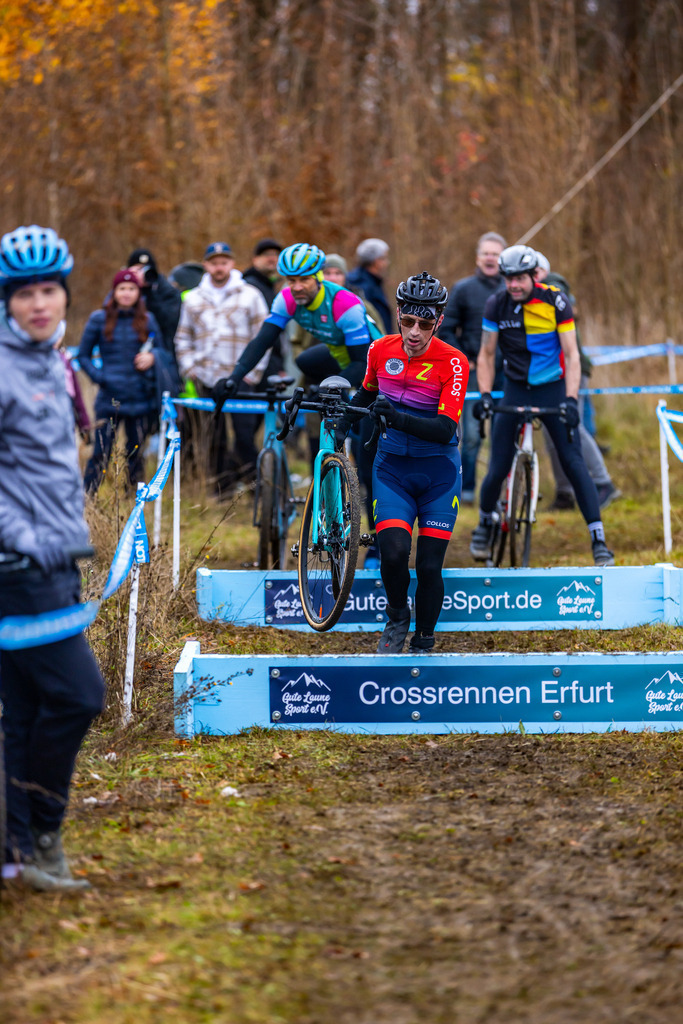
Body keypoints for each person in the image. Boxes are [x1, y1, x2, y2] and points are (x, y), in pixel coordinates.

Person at [0, 224, 105, 892]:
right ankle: (43, 832)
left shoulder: (54, 359)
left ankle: (20, 853)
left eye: (49, 290)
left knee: (27, 709)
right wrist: (25, 540)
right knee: (79, 695)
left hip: (58, 561)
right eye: (24, 294)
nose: (39, 304)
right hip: (19, 569)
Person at [341, 272, 469, 654]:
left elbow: (446, 429)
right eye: (408, 322)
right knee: (394, 552)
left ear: (438, 322)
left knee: (429, 566)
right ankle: (397, 615)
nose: (415, 332)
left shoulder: (454, 362)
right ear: (398, 313)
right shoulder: (380, 349)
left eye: (425, 324)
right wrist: (342, 418)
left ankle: (424, 638)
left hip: (438, 474)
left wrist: (395, 418)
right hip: (392, 469)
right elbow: (366, 393)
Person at [470, 245, 614, 567]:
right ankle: (483, 522)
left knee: (573, 462)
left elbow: (573, 355)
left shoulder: (556, 300)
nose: (514, 285)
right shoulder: (497, 304)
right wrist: (484, 396)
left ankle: (598, 539)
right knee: (497, 466)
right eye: (509, 279)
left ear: (534, 275)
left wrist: (571, 400)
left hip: (552, 388)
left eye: (520, 278)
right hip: (516, 390)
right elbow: (487, 355)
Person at [213, 242, 383, 402]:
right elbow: (262, 342)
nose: (297, 287)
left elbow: (362, 362)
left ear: (318, 278)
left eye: (304, 280)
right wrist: (234, 378)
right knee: (305, 361)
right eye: (291, 280)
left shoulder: (344, 304)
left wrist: (334, 387)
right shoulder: (287, 298)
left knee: (364, 427)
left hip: (374, 363)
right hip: (340, 354)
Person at [174, 241, 269, 493]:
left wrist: (254, 373)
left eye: (223, 262)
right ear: (206, 265)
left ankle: (255, 490)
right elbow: (182, 337)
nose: (219, 267)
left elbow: (265, 336)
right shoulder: (193, 297)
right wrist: (189, 367)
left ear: (232, 263)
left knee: (245, 437)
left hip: (241, 377)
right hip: (206, 378)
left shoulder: (250, 295)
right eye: (214, 263)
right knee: (213, 438)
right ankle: (221, 491)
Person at [535, 252, 621, 511]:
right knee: (552, 434)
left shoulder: (553, 287)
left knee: (573, 427)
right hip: (549, 371)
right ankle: (565, 492)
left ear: (538, 271)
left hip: (570, 369)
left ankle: (604, 483)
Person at [322, 252, 384, 569]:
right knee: (324, 458)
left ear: (345, 277)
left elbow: (379, 344)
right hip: (328, 391)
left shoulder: (357, 304)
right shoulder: (311, 310)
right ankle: (327, 522)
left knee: (368, 465)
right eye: (327, 272)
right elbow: (300, 352)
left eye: (337, 272)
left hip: (362, 390)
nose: (332, 277)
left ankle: (375, 540)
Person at [78, 268, 165, 494]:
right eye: (122, 288)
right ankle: (88, 499)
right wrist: (101, 378)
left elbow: (162, 351)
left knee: (136, 452)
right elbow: (83, 356)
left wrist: (152, 357)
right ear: (114, 291)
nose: (127, 293)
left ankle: (134, 501)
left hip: (140, 398)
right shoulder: (99, 319)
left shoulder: (148, 319)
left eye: (132, 289)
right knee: (101, 452)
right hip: (109, 399)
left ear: (139, 292)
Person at [440, 231, 507, 504]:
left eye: (496, 253)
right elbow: (445, 327)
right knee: (470, 436)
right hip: (473, 372)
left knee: (503, 434)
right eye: (486, 253)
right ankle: (466, 491)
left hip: (507, 372)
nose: (490, 258)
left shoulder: (511, 288)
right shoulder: (463, 288)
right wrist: (463, 357)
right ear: (478, 258)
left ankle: (502, 490)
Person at [242, 238, 287, 378]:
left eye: (275, 255)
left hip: (268, 361)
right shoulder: (250, 286)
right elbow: (265, 330)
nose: (272, 259)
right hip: (257, 363)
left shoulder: (268, 286)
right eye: (267, 255)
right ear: (255, 259)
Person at [126, 247, 182, 356]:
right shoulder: (123, 292)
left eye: (144, 269)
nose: (141, 274)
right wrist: (129, 284)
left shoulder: (167, 291)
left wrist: (150, 291)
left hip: (162, 354)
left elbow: (170, 322)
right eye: (136, 270)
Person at [346, 237, 393, 333]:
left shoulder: (371, 281)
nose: (387, 262)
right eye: (384, 258)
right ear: (376, 261)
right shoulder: (360, 285)